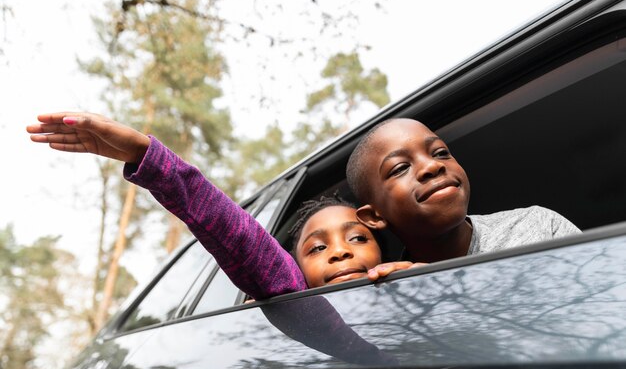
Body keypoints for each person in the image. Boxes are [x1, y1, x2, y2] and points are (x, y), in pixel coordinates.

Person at [27, 112, 416, 301]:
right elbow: (240, 235)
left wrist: (421, 283)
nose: (341, 251)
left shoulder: (418, 290)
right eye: (317, 247)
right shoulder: (307, 307)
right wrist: (146, 155)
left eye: (357, 238)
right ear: (293, 272)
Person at [346, 118, 581, 264]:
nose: (432, 165)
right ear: (375, 217)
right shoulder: (399, 293)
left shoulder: (538, 226)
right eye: (400, 168)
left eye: (440, 153)